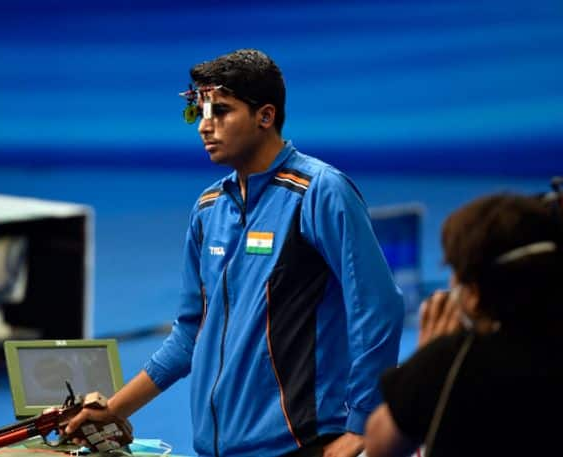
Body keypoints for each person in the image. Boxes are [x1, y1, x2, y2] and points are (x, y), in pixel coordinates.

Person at [66, 48, 404, 457]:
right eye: (199, 114)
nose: (205, 127)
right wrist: (114, 409)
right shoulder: (208, 209)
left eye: (221, 111)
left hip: (301, 444)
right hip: (216, 449)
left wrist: (363, 423)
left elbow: (378, 308)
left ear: (265, 116)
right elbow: (191, 333)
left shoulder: (319, 192)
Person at [364, 193, 563, 457]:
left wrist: (425, 360)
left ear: (473, 294)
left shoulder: (452, 362)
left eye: (454, 271)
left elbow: (380, 445)